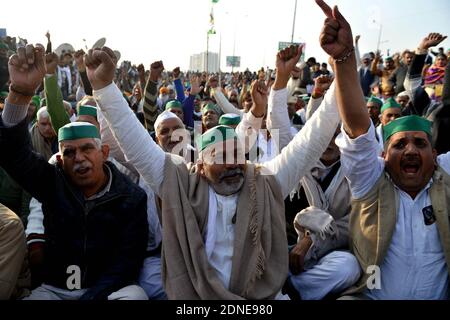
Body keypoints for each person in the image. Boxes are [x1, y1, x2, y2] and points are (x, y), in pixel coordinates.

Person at [86, 42, 341, 299]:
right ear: (201, 163)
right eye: (221, 156)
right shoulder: (180, 183)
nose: (232, 164)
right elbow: (135, 144)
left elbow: (311, 141)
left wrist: (341, 68)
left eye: (237, 155)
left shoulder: (264, 181)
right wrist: (105, 87)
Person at [314, 0, 450, 299]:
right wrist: (344, 59)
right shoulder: (370, 184)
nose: (411, 150)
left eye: (420, 143)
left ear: (436, 156)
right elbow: (359, 130)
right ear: (383, 156)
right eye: (400, 144)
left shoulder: (445, 177)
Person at [0, 44, 149, 300]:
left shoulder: (131, 196)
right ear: (60, 157)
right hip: (55, 290)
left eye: (87, 149)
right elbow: (13, 154)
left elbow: (126, 263)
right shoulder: (53, 180)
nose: (78, 158)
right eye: (69, 152)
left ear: (103, 152)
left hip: (108, 291)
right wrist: (21, 93)